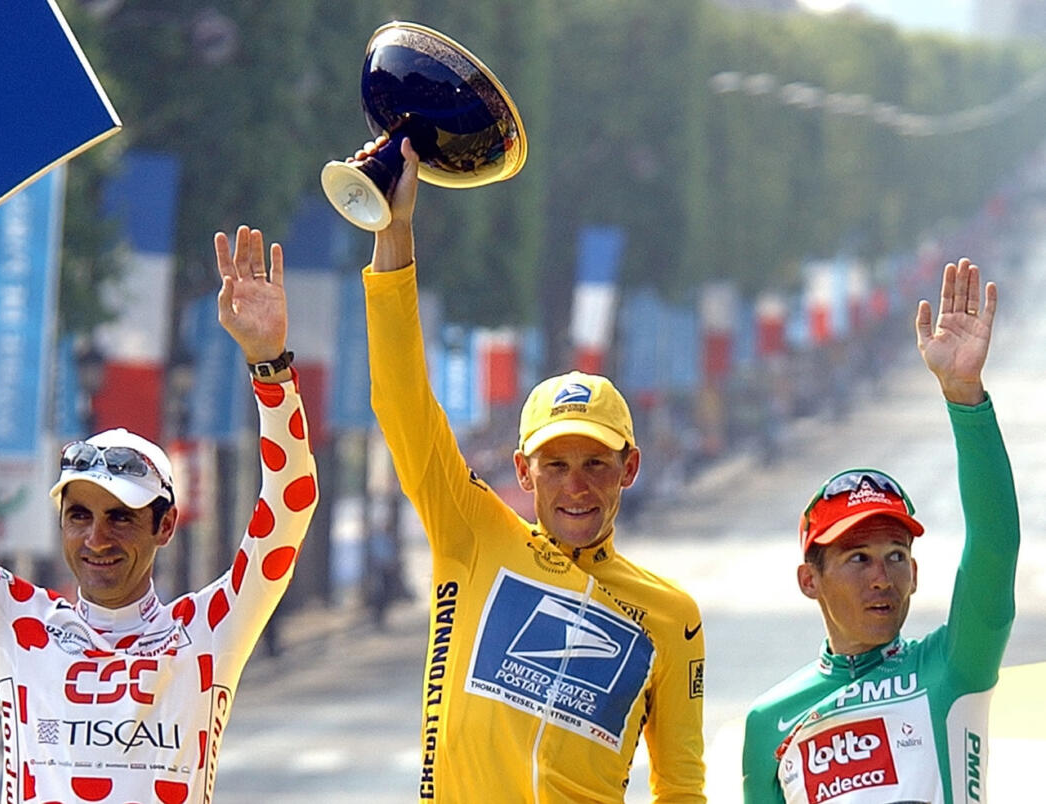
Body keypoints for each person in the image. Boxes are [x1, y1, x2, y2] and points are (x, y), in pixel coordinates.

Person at [0, 222, 318, 803]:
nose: (97, 537)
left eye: (121, 516)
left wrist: (271, 368)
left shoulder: (206, 634)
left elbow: (290, 503)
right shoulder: (17, 625)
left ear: (164, 525)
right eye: (79, 516)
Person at [361, 138, 705, 801]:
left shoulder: (672, 615)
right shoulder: (471, 534)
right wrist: (394, 233)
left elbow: (682, 788)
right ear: (523, 470)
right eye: (555, 465)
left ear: (629, 468)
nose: (576, 486)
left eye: (595, 465)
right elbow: (402, 402)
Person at [741, 258, 1018, 803]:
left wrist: (964, 396)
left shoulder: (953, 666)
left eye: (895, 556)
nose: (881, 577)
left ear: (914, 574)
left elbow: (994, 543)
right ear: (809, 579)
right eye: (857, 558)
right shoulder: (768, 725)